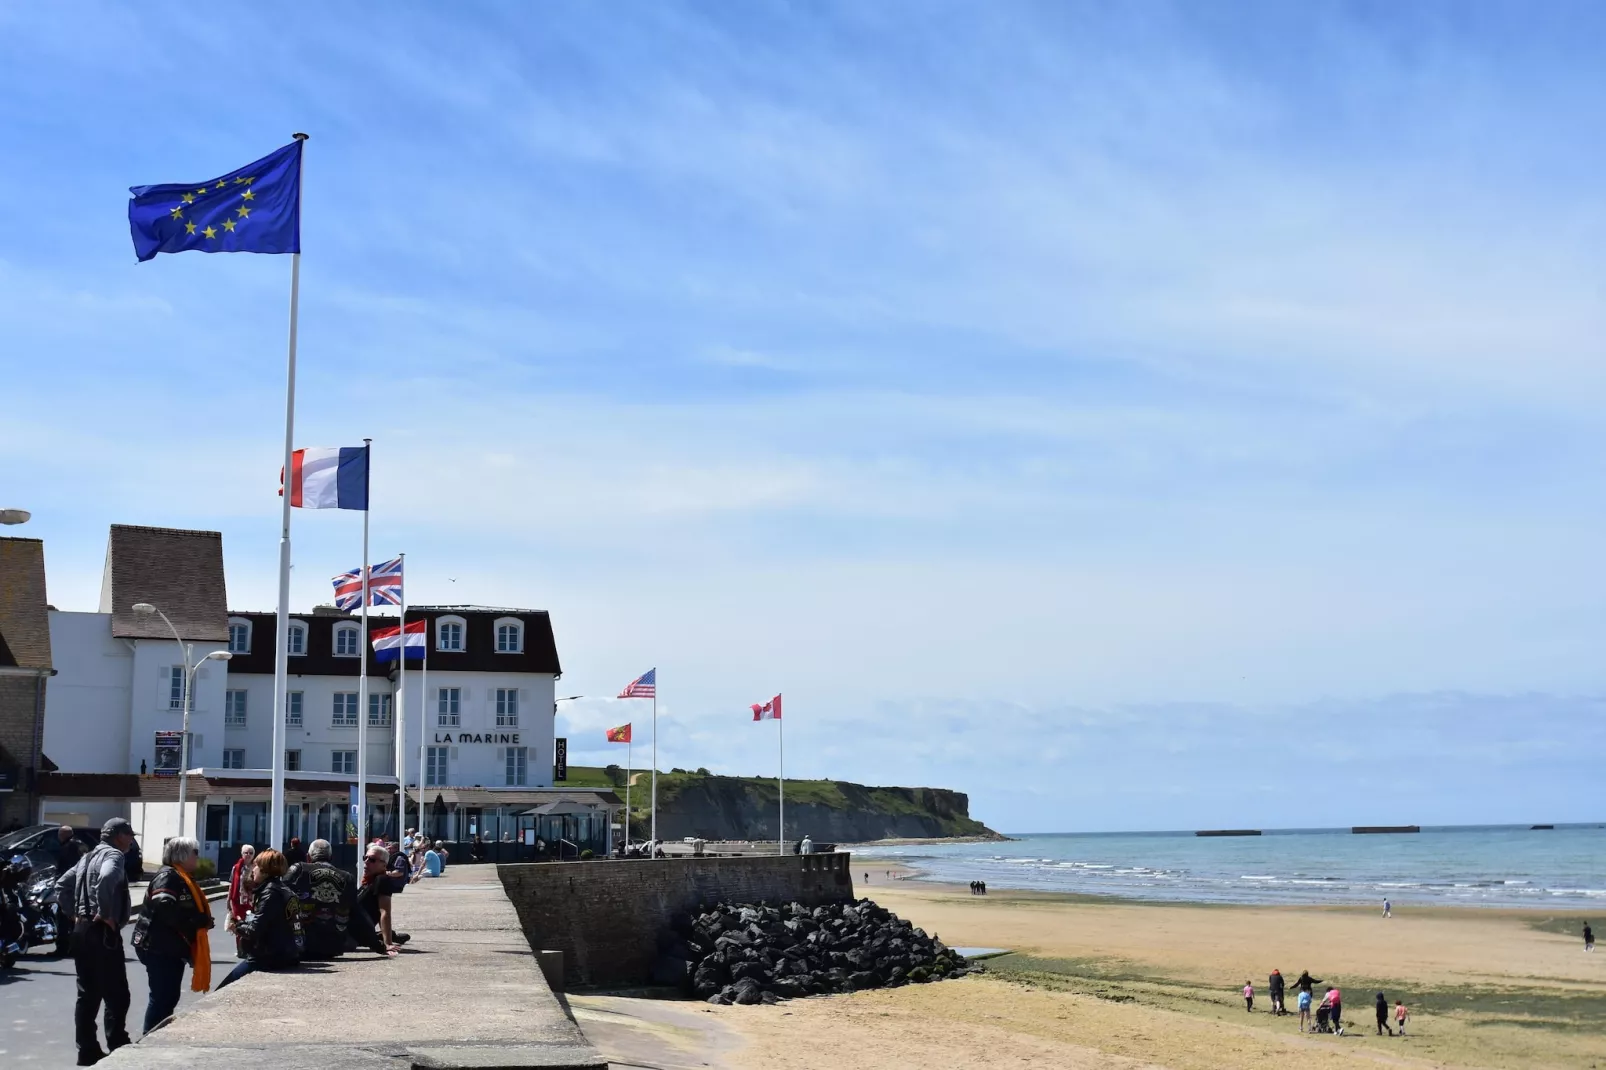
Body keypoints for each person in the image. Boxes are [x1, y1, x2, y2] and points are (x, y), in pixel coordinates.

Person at [67, 818, 137, 1065]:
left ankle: (86, 1050)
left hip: (81, 930)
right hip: (101, 932)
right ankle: (117, 1042)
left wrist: (74, 912)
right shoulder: (114, 856)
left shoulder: (87, 857)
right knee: (117, 993)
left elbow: (62, 884)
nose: (132, 840)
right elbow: (107, 878)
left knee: (87, 994)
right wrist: (105, 913)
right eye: (130, 835)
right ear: (119, 836)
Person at [130, 836, 214, 1035]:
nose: (198, 858)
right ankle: (149, 1038)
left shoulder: (181, 876)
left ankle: (156, 1034)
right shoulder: (168, 876)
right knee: (162, 997)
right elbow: (164, 906)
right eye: (195, 853)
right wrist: (196, 920)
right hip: (159, 947)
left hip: (171, 947)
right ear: (183, 855)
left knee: (169, 997)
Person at [285, 839, 393, 959]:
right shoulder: (347, 877)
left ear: (308, 857)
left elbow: (280, 897)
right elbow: (359, 916)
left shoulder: (298, 870)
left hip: (300, 946)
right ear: (331, 857)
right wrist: (378, 945)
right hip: (332, 947)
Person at [216, 848, 301, 989]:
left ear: (265, 870)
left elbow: (255, 929)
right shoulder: (282, 889)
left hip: (268, 957)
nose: (253, 870)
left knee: (223, 988)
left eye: (256, 866)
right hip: (286, 953)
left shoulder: (270, 893)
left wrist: (236, 926)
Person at [356, 845, 404, 948]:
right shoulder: (369, 881)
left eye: (372, 860)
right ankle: (380, 935)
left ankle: (384, 936)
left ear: (384, 865)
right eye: (365, 858)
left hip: (353, 935)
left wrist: (388, 944)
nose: (366, 861)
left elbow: (384, 911)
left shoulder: (382, 880)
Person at [226, 845, 257, 956]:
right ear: (241, 854)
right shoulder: (236, 867)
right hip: (237, 901)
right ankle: (240, 949)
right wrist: (228, 900)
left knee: (250, 924)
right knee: (238, 924)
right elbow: (231, 884)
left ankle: (249, 949)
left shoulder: (256, 868)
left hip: (251, 901)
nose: (248, 855)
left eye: (250, 853)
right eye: (245, 852)